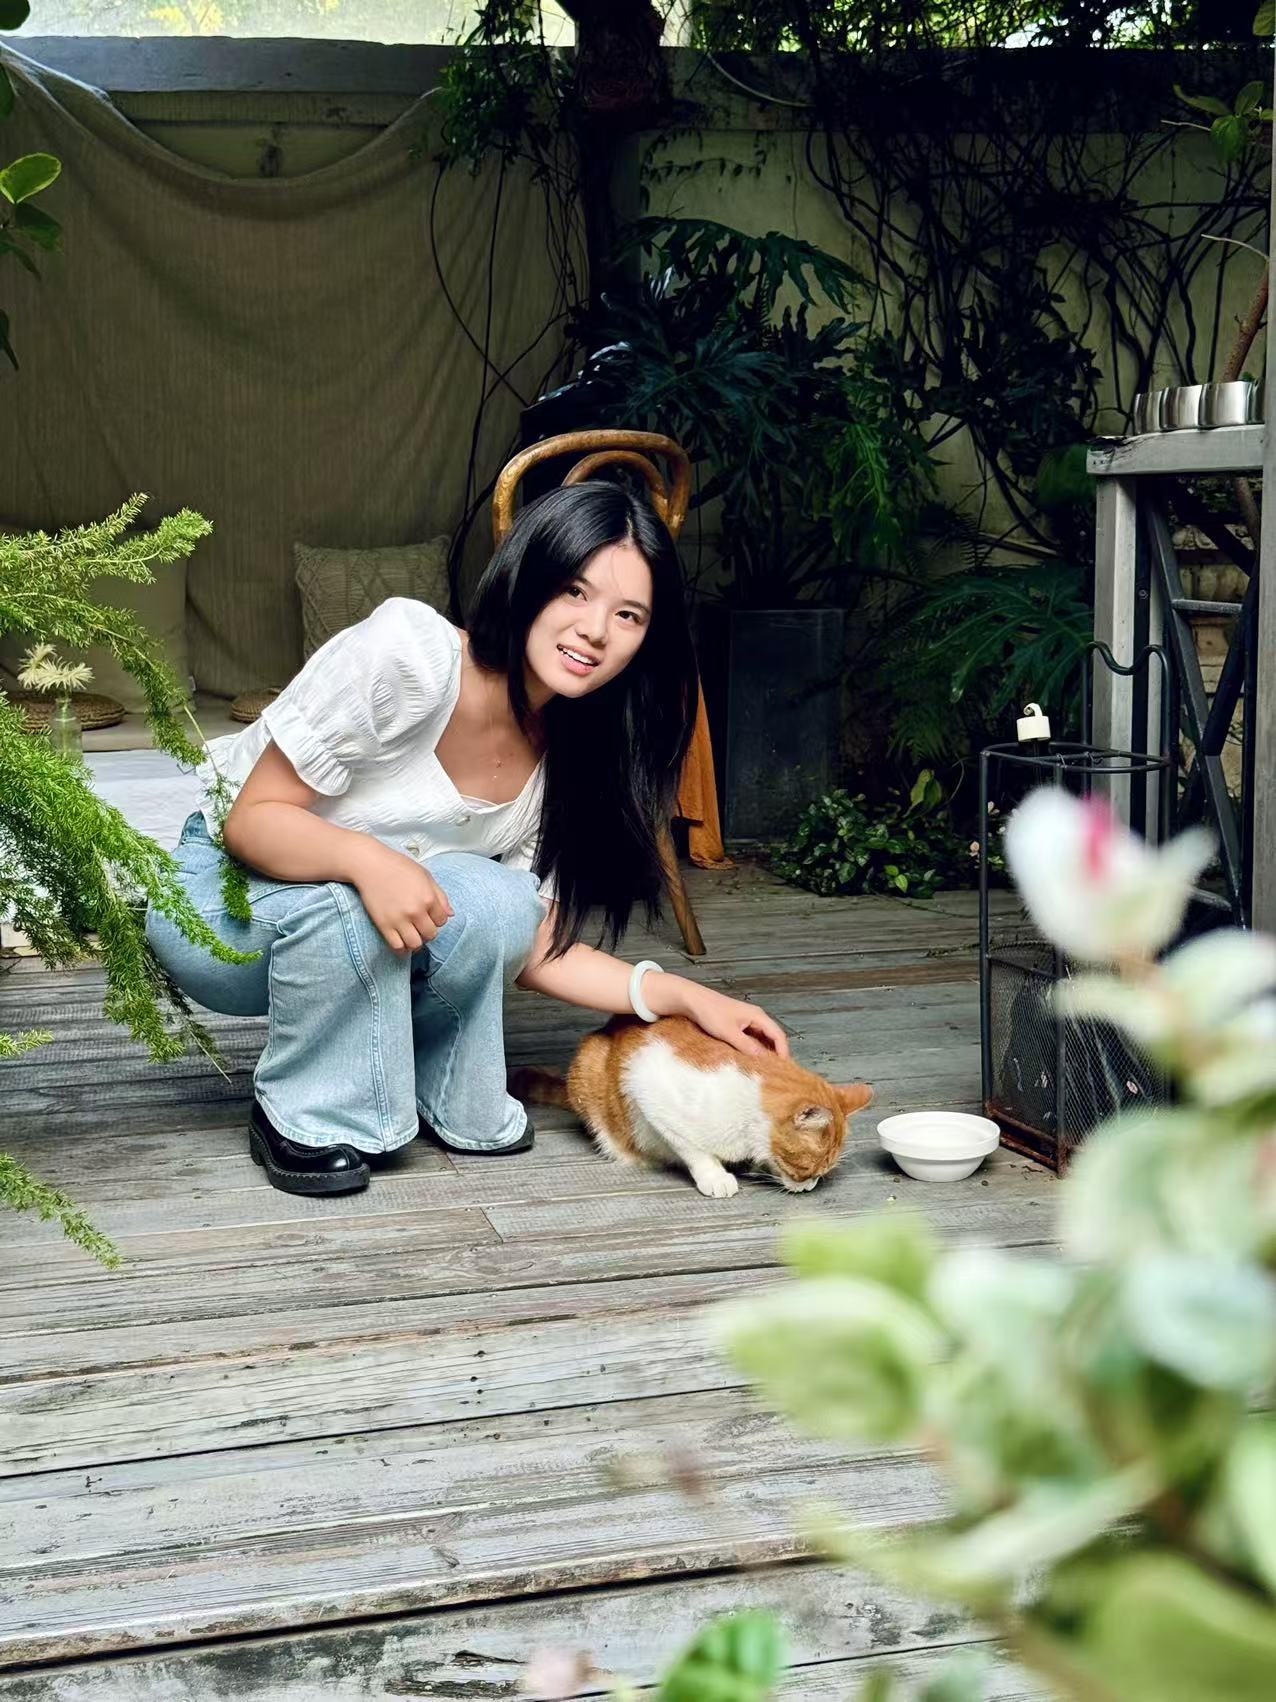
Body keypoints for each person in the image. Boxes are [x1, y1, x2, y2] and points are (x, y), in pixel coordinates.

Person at [146, 481, 789, 1197]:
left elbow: (532, 943)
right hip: (224, 908)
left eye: (628, 614)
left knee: (500, 900)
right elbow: (252, 819)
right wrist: (366, 859)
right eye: (575, 591)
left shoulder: (574, 755)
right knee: (353, 897)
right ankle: (302, 1114)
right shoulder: (410, 655)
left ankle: (439, 1086)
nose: (595, 630)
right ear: (528, 576)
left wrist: (685, 997)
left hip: (365, 933)